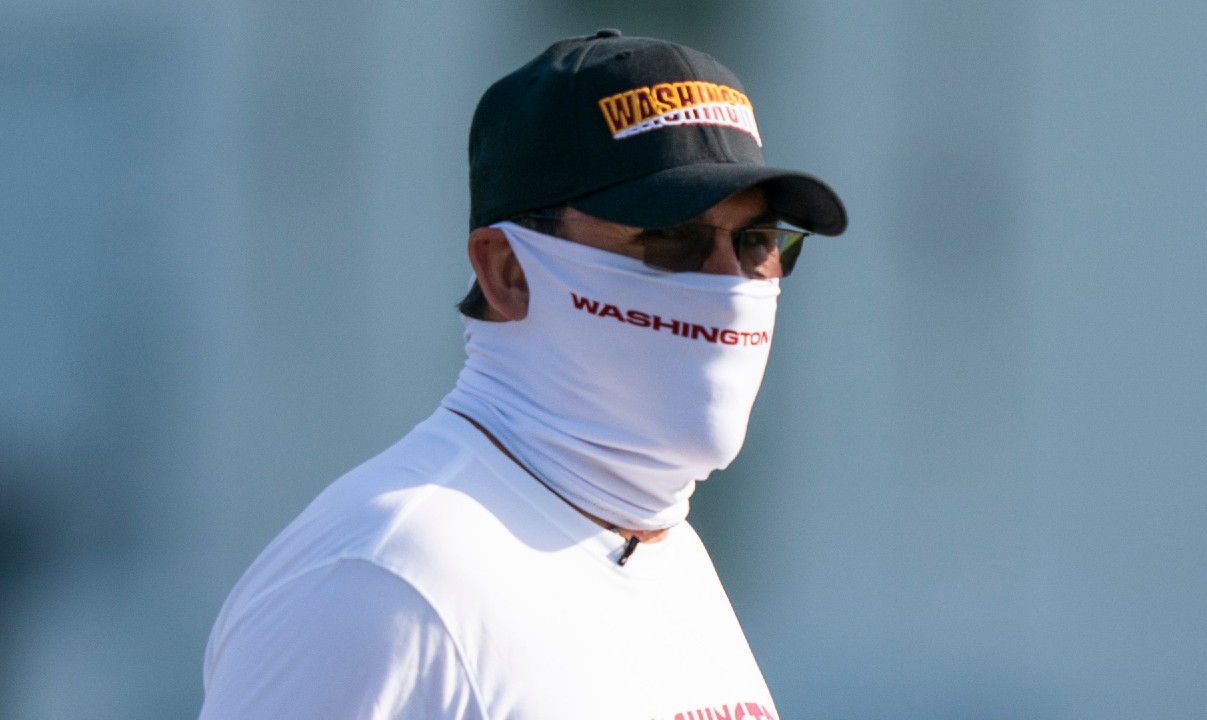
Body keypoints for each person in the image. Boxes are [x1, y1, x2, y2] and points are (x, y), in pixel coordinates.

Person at [198, 29, 846, 720]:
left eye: (754, 242)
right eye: (670, 239)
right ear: (508, 271)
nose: (728, 284)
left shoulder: (662, 545)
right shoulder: (380, 585)